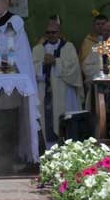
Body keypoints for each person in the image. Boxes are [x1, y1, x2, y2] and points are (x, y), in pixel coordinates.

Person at [0, 0, 40, 168]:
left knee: (13, 117)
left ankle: (16, 155)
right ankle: (1, 157)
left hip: (14, 75)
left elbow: (18, 51)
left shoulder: (15, 22)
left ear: (5, 4)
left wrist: (5, 61)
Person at [32, 15, 84, 146]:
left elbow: (74, 68)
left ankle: (69, 148)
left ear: (59, 32)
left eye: (54, 32)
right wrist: (43, 65)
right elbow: (32, 70)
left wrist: (56, 62)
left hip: (65, 92)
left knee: (66, 122)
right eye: (48, 32)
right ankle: (50, 150)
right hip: (45, 93)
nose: (51, 35)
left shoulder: (69, 47)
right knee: (47, 122)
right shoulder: (38, 49)